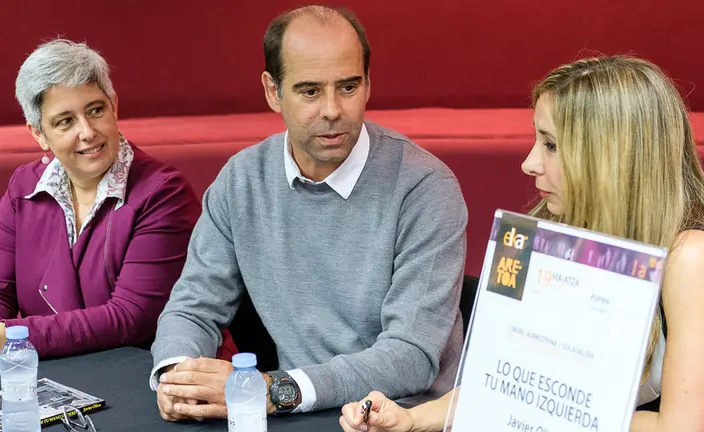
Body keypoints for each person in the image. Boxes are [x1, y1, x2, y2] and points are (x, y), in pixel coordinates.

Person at [339, 56, 704, 432]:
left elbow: (682, 426)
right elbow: (501, 385)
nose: (529, 162)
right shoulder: (543, 228)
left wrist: (542, 412)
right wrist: (411, 419)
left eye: (551, 145)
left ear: (609, 156)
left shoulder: (691, 256)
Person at [150, 5, 467, 423]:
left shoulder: (425, 188)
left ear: (369, 84)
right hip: (299, 412)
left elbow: (410, 356)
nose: (333, 109)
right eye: (310, 91)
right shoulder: (242, 180)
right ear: (271, 90)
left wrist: (277, 389)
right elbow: (193, 307)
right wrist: (178, 377)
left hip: (403, 418)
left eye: (349, 87)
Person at [0, 39, 237, 368]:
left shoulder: (163, 194)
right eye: (65, 121)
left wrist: (8, 338)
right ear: (38, 134)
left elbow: (130, 318)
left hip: (155, 376)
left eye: (96, 110)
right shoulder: (23, 187)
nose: (88, 132)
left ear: (115, 106)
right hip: (63, 370)